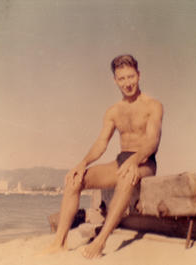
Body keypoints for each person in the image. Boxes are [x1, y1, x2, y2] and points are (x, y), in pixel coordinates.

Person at [42, 54, 163, 258]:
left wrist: (135, 160)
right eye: (122, 78)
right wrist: (83, 163)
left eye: (130, 77)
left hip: (145, 162)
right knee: (74, 180)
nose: (127, 83)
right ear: (114, 80)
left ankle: (100, 242)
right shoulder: (113, 111)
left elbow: (152, 142)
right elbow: (101, 144)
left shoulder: (153, 106)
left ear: (139, 75)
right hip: (121, 161)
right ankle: (59, 242)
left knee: (127, 175)